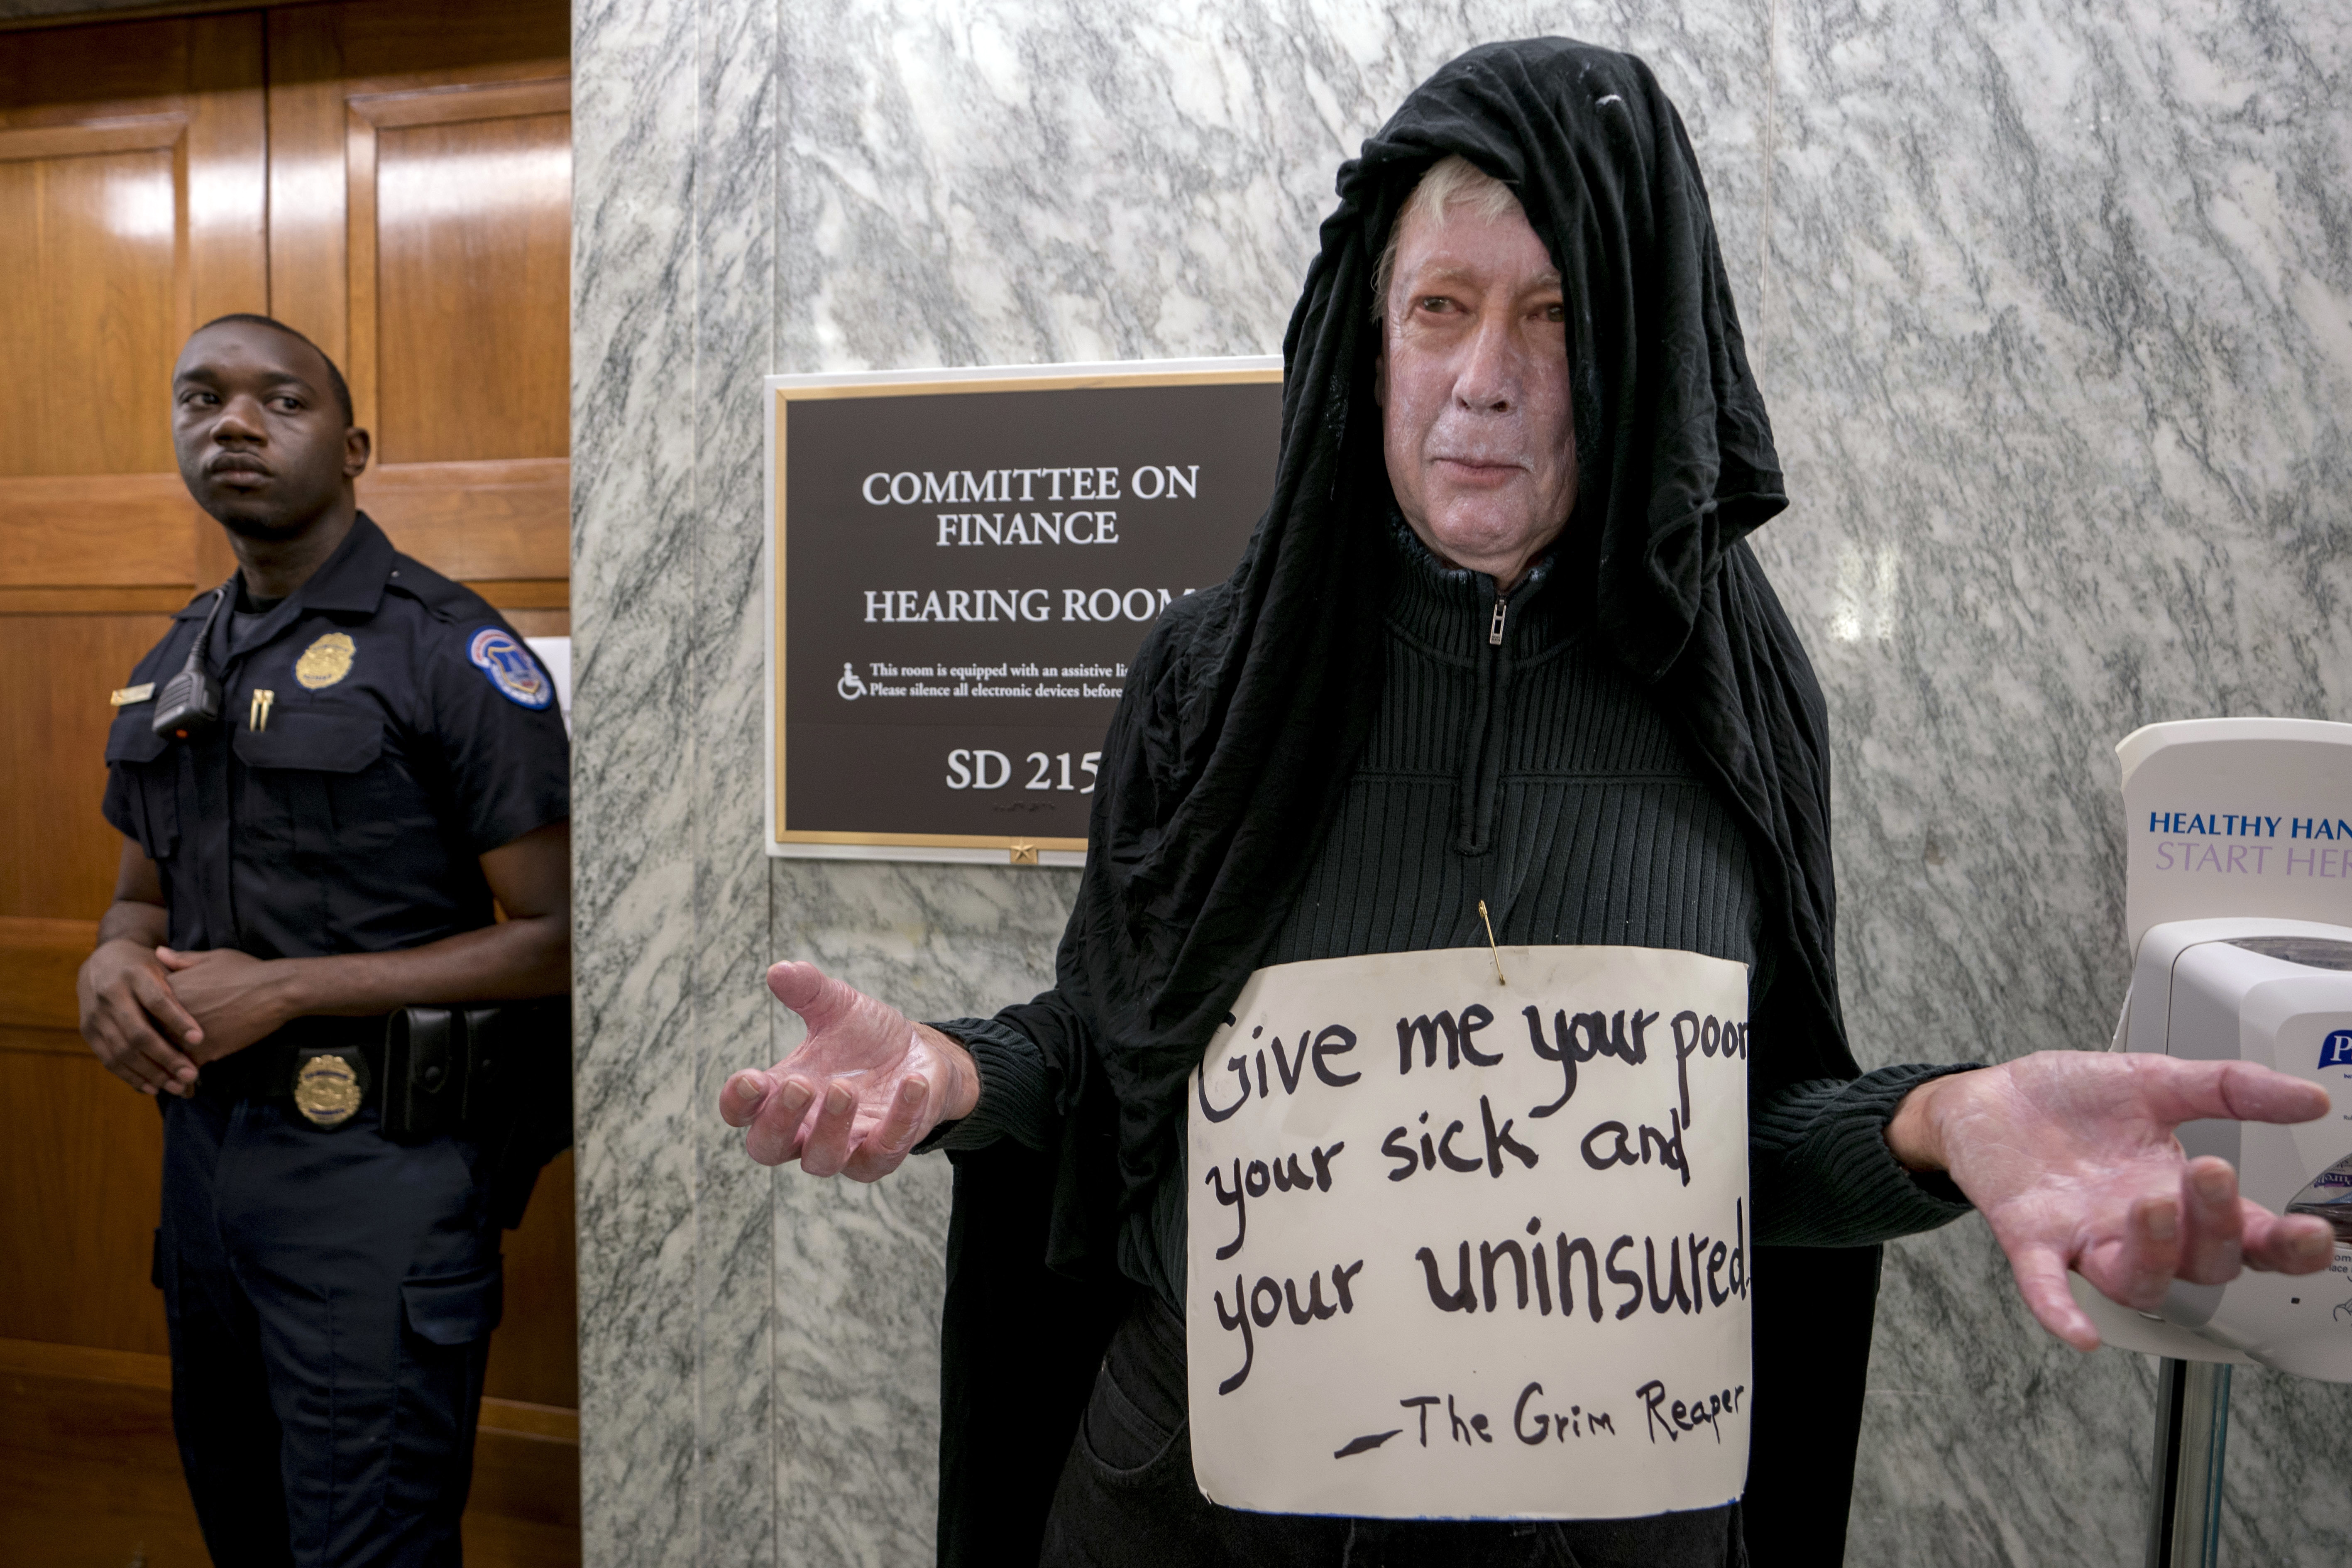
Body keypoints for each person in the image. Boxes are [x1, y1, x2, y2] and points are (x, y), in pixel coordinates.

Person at [719, 40, 2337, 1566]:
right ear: (1366, 335)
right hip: (1197, 1507)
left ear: (1645, 350)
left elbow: (1719, 1157)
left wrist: (1930, 1128)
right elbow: (1103, 1065)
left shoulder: (1741, 700)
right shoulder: (1210, 679)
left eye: (1555, 315)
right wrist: (949, 1072)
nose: (1481, 383)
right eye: (1438, 307)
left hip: (1601, 1533)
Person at [76, 314, 573, 1567]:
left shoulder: (450, 650)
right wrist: (108, 961)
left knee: (367, 1547)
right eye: (201, 399)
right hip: (204, 1173)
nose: (232, 424)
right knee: (240, 1526)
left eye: (278, 401)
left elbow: (563, 937)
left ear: (352, 447)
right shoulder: (172, 658)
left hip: (378, 1177)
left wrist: (290, 989)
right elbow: (139, 899)